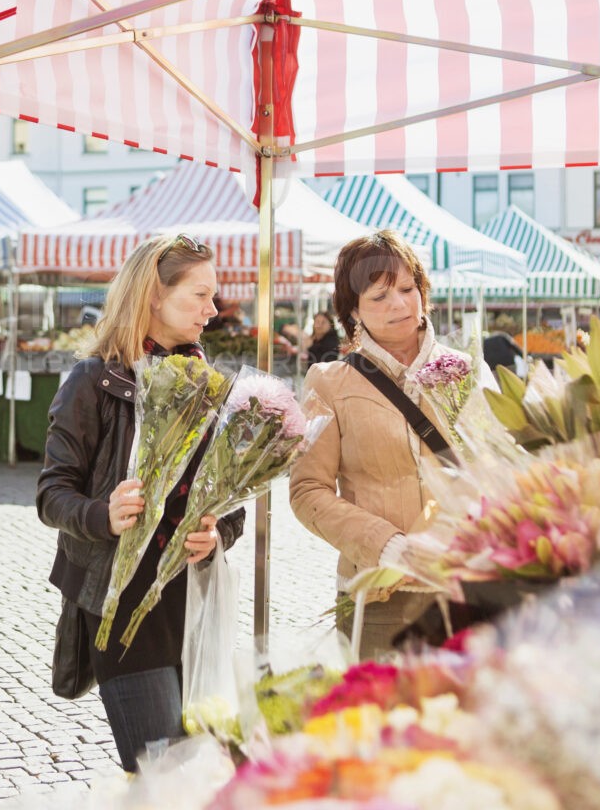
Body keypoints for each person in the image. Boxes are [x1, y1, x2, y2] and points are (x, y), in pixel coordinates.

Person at [37, 233, 246, 773]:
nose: (213, 309)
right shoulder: (93, 381)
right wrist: (101, 514)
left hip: (194, 605)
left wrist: (216, 533)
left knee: (201, 769)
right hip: (120, 606)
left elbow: (235, 499)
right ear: (154, 295)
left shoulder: (211, 386)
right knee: (162, 771)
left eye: (213, 295)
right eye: (199, 295)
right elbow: (52, 494)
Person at [290, 230, 479, 659]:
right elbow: (307, 492)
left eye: (409, 289)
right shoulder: (330, 382)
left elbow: (491, 465)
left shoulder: (464, 370)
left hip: (465, 586)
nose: (399, 304)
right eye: (379, 297)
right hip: (380, 596)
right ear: (352, 310)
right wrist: (388, 545)